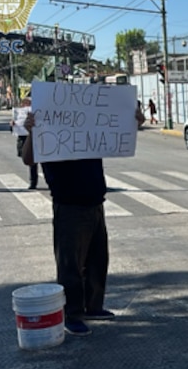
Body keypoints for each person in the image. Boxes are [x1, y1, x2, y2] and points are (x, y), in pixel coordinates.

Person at [22, 102, 146, 336]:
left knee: (98, 259)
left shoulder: (90, 128)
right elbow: (28, 159)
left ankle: (93, 306)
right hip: (68, 205)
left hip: (95, 201)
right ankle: (72, 313)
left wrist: (133, 123)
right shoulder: (46, 130)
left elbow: (116, 137)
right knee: (71, 264)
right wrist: (31, 131)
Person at [11, 96, 39, 190]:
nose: (25, 105)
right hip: (23, 138)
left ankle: (33, 182)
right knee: (28, 160)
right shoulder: (18, 113)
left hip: (34, 138)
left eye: (28, 104)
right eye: (24, 104)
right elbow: (14, 130)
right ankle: (33, 181)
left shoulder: (35, 113)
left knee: (33, 163)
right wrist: (13, 125)